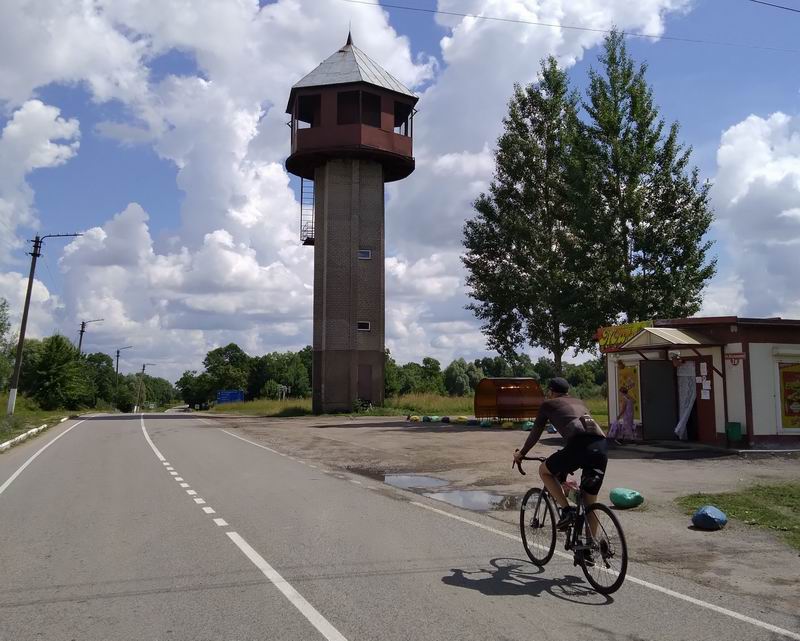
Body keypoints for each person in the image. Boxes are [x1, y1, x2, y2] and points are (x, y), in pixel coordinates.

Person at [512, 377, 608, 535]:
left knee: (544, 470)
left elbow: (535, 433)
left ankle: (566, 510)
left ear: (551, 392)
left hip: (579, 446)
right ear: (567, 392)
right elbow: (584, 430)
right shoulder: (579, 403)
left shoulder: (548, 404)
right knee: (590, 503)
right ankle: (591, 551)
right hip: (601, 446)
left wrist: (521, 454)